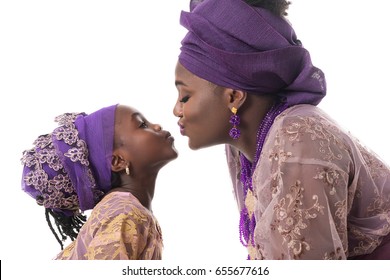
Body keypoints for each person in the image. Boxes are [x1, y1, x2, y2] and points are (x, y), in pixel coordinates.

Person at [173, 0, 390, 260]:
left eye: (185, 96)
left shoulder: (297, 139)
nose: (176, 109)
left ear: (233, 97)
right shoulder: (243, 149)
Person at [21, 104, 178, 260]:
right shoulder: (123, 212)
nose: (157, 126)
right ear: (118, 161)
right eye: (142, 125)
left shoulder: (123, 209)